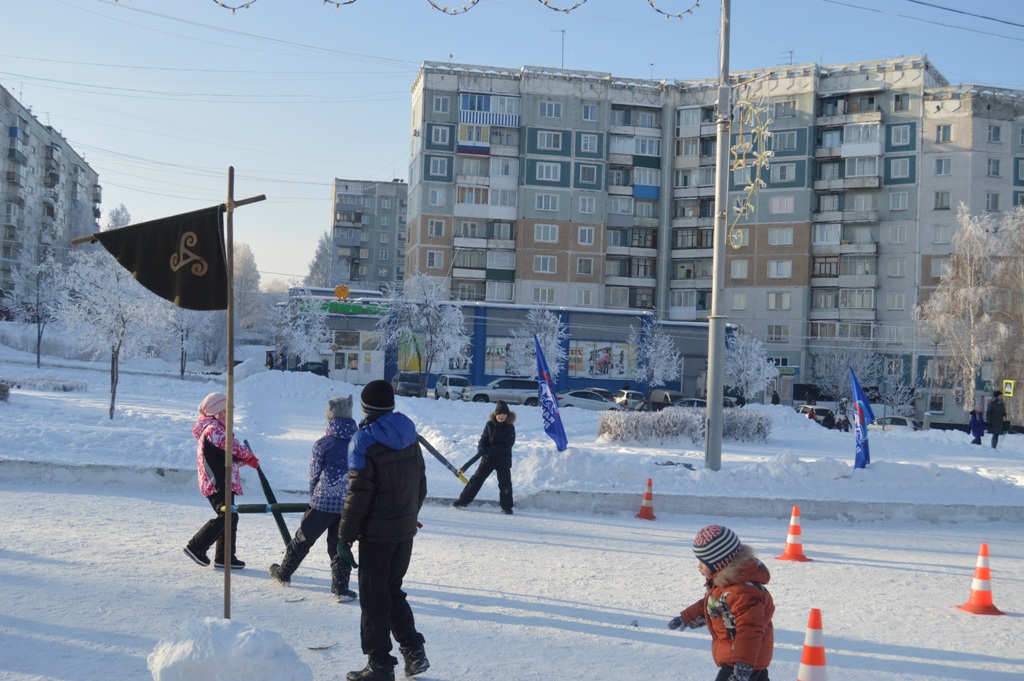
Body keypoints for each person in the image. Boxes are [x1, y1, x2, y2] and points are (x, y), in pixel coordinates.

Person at [339, 380, 429, 681]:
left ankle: (379, 664)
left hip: (377, 536)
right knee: (392, 591)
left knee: (374, 599)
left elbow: (358, 494)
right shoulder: (409, 433)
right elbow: (421, 483)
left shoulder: (362, 441)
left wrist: (344, 537)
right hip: (404, 531)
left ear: (365, 407)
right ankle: (414, 650)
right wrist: (409, 514)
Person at [270, 396, 359, 602]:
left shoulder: (323, 443)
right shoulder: (358, 442)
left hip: (322, 502)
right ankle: (341, 589)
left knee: (304, 538)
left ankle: (284, 573)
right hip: (349, 503)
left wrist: (314, 495)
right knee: (340, 544)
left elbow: (314, 473)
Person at [668, 525, 775, 681]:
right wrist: (687, 617)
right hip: (740, 658)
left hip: (744, 662)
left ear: (719, 564)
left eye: (703, 563)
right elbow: (711, 604)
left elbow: (750, 627)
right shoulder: (726, 585)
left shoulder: (743, 592)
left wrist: (743, 663)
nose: (698, 566)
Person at [184, 392, 259, 569]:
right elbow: (230, 447)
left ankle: (225, 557)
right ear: (219, 411)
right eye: (228, 411)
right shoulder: (213, 429)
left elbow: (227, 455)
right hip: (216, 481)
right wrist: (247, 455)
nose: (231, 415)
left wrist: (244, 460)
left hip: (224, 480)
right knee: (227, 516)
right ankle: (196, 546)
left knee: (231, 516)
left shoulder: (219, 429)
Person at [451, 400, 517, 515]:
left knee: (505, 484)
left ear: (507, 415)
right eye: (499, 414)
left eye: (504, 414)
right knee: (476, 480)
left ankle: (506, 507)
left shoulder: (510, 428)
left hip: (503, 460)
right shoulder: (489, 425)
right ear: (495, 414)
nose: (501, 417)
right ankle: (463, 501)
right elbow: (484, 438)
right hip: (488, 459)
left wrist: (491, 449)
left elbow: (507, 446)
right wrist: (481, 446)